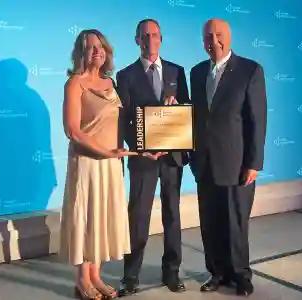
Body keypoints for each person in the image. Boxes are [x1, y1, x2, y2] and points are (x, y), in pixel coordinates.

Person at [189, 19, 267, 297]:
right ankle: (217, 272)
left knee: (235, 223)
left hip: (237, 164)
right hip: (204, 162)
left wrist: (254, 163)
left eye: (219, 35)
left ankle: (241, 276)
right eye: (208, 37)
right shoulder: (197, 72)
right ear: (203, 41)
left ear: (229, 37)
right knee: (210, 222)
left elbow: (257, 120)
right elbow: (194, 117)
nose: (214, 41)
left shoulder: (250, 70)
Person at [59, 29, 136, 300]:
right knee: (86, 220)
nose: (97, 51)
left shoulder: (110, 83)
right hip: (87, 164)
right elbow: (73, 130)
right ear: (81, 53)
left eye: (100, 46)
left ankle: (96, 277)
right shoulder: (74, 84)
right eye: (90, 47)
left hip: (110, 164)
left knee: (102, 220)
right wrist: (104, 151)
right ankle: (83, 280)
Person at [115, 19, 190, 295]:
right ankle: (130, 276)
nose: (150, 40)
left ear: (161, 38)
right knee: (138, 217)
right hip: (142, 158)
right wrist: (138, 148)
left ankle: (172, 272)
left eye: (154, 35)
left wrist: (178, 107)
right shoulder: (125, 76)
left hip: (172, 158)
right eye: (144, 36)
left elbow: (186, 114)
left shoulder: (176, 72)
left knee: (172, 215)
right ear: (137, 40)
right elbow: (122, 122)